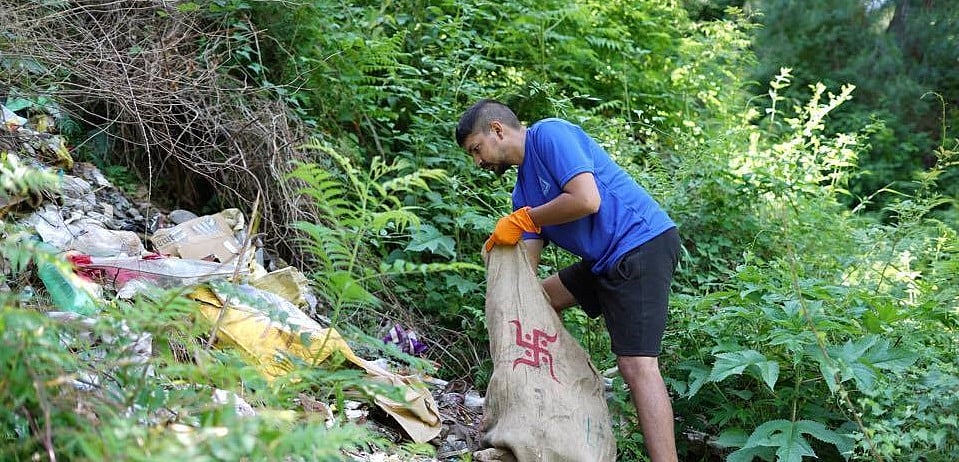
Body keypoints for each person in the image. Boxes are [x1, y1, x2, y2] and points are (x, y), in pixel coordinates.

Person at [456, 99, 681, 462]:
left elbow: (586, 199)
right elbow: (525, 282)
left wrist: (525, 221)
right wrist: (502, 260)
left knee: (637, 366)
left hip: (641, 243)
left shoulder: (549, 134)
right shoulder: (522, 192)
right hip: (603, 260)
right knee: (542, 299)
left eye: (476, 150)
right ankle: (553, 396)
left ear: (497, 130)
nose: (478, 162)